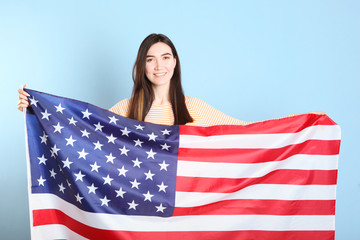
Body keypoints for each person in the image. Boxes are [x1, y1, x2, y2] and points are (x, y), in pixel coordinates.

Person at [17, 33, 325, 125]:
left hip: (184, 210)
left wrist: (305, 122)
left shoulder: (194, 108)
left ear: (174, 64)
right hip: (138, 210)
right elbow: (83, 127)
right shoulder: (128, 107)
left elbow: (247, 131)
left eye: (165, 57)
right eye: (150, 59)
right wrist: (37, 109)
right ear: (142, 67)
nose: (158, 66)